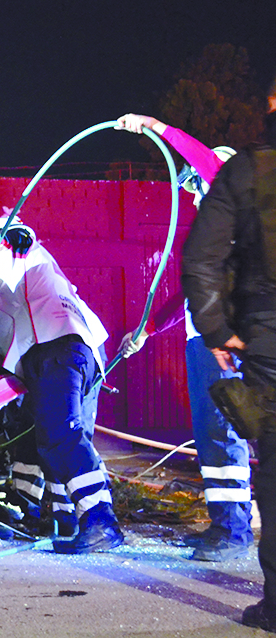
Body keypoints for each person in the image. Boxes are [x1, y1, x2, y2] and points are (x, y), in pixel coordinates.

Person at [115, 112, 251, 562]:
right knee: (214, 433)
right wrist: (148, 330)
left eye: (197, 187)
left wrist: (156, 128)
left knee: (222, 429)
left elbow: (208, 164)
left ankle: (232, 531)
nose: (194, 197)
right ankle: (226, 524)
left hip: (225, 342)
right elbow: (189, 295)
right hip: (207, 341)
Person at [181, 83, 276, 632]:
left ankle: (237, 531)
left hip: (262, 337)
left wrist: (218, 330)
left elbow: (202, 261)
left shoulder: (245, 171)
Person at [0, 217, 122, 554]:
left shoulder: (11, 251)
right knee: (38, 433)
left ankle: (100, 520)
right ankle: (57, 516)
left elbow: (11, 233)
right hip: (64, 350)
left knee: (61, 434)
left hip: (55, 344)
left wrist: (9, 234)